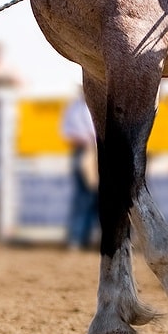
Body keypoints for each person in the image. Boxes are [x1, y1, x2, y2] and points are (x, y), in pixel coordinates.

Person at [60, 91, 99, 250]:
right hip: (87, 151)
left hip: (95, 150)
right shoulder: (76, 108)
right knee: (85, 197)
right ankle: (78, 238)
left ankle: (82, 238)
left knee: (92, 198)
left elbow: (67, 132)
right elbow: (68, 133)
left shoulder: (76, 108)